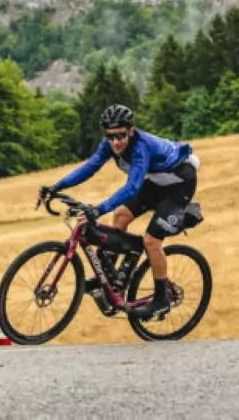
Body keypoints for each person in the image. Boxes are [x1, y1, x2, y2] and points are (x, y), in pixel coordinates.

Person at [39, 103, 199, 320]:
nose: (115, 142)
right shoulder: (109, 144)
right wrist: (56, 187)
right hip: (157, 182)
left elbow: (132, 188)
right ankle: (112, 278)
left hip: (180, 183)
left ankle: (162, 300)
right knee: (121, 216)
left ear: (131, 131)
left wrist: (99, 209)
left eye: (120, 136)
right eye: (110, 136)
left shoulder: (141, 148)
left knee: (152, 241)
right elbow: (89, 167)